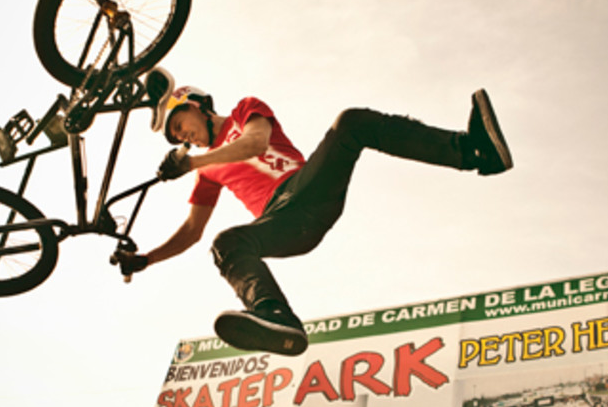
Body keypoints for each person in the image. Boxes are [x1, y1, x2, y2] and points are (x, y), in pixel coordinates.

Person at [115, 70, 513, 354]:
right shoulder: (206, 171)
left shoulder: (244, 111)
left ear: (197, 105)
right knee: (227, 242)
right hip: (285, 225)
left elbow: (255, 144)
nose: (181, 137)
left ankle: (472, 151)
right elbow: (191, 232)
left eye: (179, 124)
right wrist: (146, 259)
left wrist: (192, 164)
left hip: (309, 192)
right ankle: (278, 319)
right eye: (176, 138)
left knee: (351, 124)